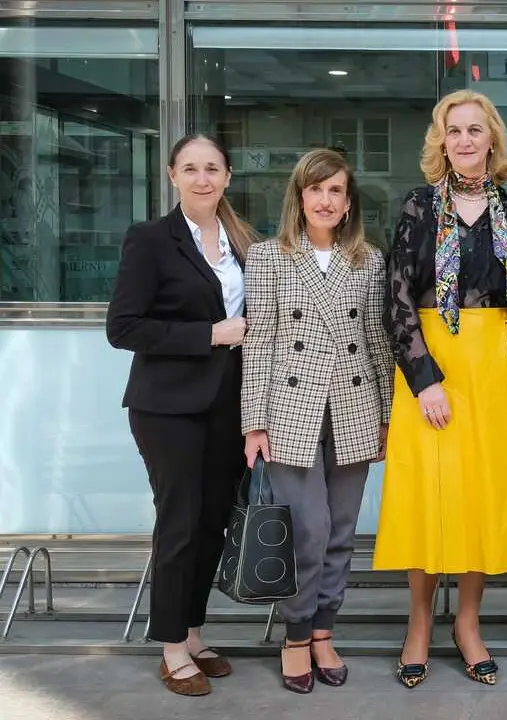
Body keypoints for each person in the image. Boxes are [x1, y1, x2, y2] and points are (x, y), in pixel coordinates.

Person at [373, 89, 507, 690]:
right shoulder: (418, 207)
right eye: (454, 131)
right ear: (440, 142)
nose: (465, 141)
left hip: (495, 373)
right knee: (427, 498)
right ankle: (419, 621)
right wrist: (424, 382)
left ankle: (467, 622)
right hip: (432, 373)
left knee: (478, 499)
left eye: (475, 129)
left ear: (491, 138)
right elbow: (394, 301)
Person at [106, 134, 258, 697]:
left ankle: (193, 632)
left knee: (212, 522)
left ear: (227, 175)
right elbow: (122, 327)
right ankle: (170, 647)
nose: (202, 179)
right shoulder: (150, 239)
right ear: (172, 175)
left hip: (227, 405)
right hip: (167, 406)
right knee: (179, 522)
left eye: (212, 168)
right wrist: (209, 335)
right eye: (190, 169)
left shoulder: (242, 239)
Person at [240, 148, 394, 694]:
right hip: (290, 410)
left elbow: (378, 341)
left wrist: (386, 417)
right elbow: (258, 342)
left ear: (349, 201)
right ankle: (296, 634)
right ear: (299, 197)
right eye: (315, 190)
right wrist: (252, 422)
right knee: (308, 529)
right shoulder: (267, 257)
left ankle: (325, 630)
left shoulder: (370, 260)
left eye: (336, 191)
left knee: (343, 532)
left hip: (354, 409)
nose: (325, 200)